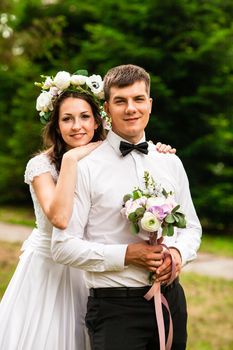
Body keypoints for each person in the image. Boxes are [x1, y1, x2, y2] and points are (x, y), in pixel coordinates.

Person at [0, 68, 175, 350]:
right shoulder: (41, 166)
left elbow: (138, 158)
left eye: (84, 117)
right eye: (66, 119)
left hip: (92, 270)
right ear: (56, 125)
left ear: (97, 120)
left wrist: (159, 150)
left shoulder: (106, 156)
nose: (76, 126)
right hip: (49, 272)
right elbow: (59, 217)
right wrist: (70, 160)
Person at [51, 64, 202, 350]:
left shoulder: (170, 161)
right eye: (120, 101)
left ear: (150, 104)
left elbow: (191, 227)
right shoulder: (86, 168)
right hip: (114, 308)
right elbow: (62, 246)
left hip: (172, 301)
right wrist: (126, 255)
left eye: (138, 99)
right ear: (107, 108)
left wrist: (178, 254)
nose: (131, 108)